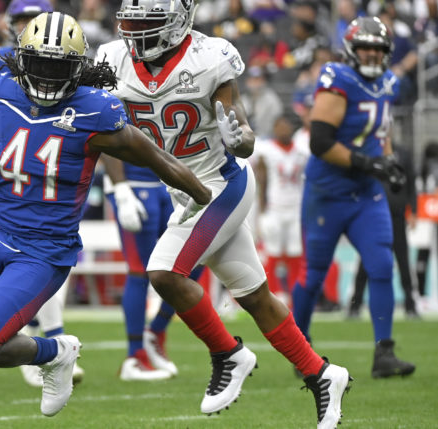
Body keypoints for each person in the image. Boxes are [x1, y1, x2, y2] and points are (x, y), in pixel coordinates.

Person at [0, 12, 212, 429]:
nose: (48, 76)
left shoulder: (96, 111)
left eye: (59, 67)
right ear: (21, 61)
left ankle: (54, 353)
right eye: (41, 64)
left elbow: (157, 158)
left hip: (45, 250)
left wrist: (203, 200)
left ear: (79, 68)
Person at [101, 1, 350, 428]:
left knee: (163, 272)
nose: (135, 32)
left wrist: (241, 137)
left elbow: (244, 134)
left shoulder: (208, 57)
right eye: (132, 21)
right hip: (184, 193)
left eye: (148, 23)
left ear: (177, 23)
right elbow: (102, 128)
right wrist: (118, 186)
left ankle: (228, 354)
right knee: (254, 296)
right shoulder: (112, 59)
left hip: (221, 185)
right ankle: (323, 374)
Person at [292, 16, 416, 380]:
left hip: (366, 193)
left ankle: (384, 353)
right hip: (328, 193)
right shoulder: (337, 79)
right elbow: (320, 142)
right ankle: (300, 348)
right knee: (314, 276)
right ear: (351, 49)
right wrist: (369, 163)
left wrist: (387, 160)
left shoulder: (389, 83)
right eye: (365, 48)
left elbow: (382, 129)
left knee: (381, 265)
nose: (372, 55)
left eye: (378, 50)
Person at [0, 0, 84, 389]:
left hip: (48, 172)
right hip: (4, 171)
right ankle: (31, 343)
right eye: (23, 21)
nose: (31, 26)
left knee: (39, 261)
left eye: (36, 19)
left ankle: (50, 342)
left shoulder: (70, 64)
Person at [103, 147, 206, 381]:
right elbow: (109, 139)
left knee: (197, 258)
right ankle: (134, 357)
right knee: (139, 271)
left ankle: (156, 331)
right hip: (133, 185)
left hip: (167, 183)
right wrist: (121, 190)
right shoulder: (118, 107)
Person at [349, 144, 419, 319]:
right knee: (365, 261)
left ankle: (410, 305)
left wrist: (414, 211)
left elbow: (410, 182)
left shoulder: (403, 153)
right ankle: (355, 305)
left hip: (396, 216)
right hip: (372, 216)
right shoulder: (368, 153)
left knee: (403, 260)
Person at [252, 116, 309, 305]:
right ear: (275, 128)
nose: (283, 131)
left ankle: (295, 295)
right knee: (273, 252)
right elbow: (262, 178)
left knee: (295, 254)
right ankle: (275, 294)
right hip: (274, 208)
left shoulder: (302, 150)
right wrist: (262, 209)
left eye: (287, 127)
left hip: (296, 208)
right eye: (280, 127)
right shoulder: (266, 150)